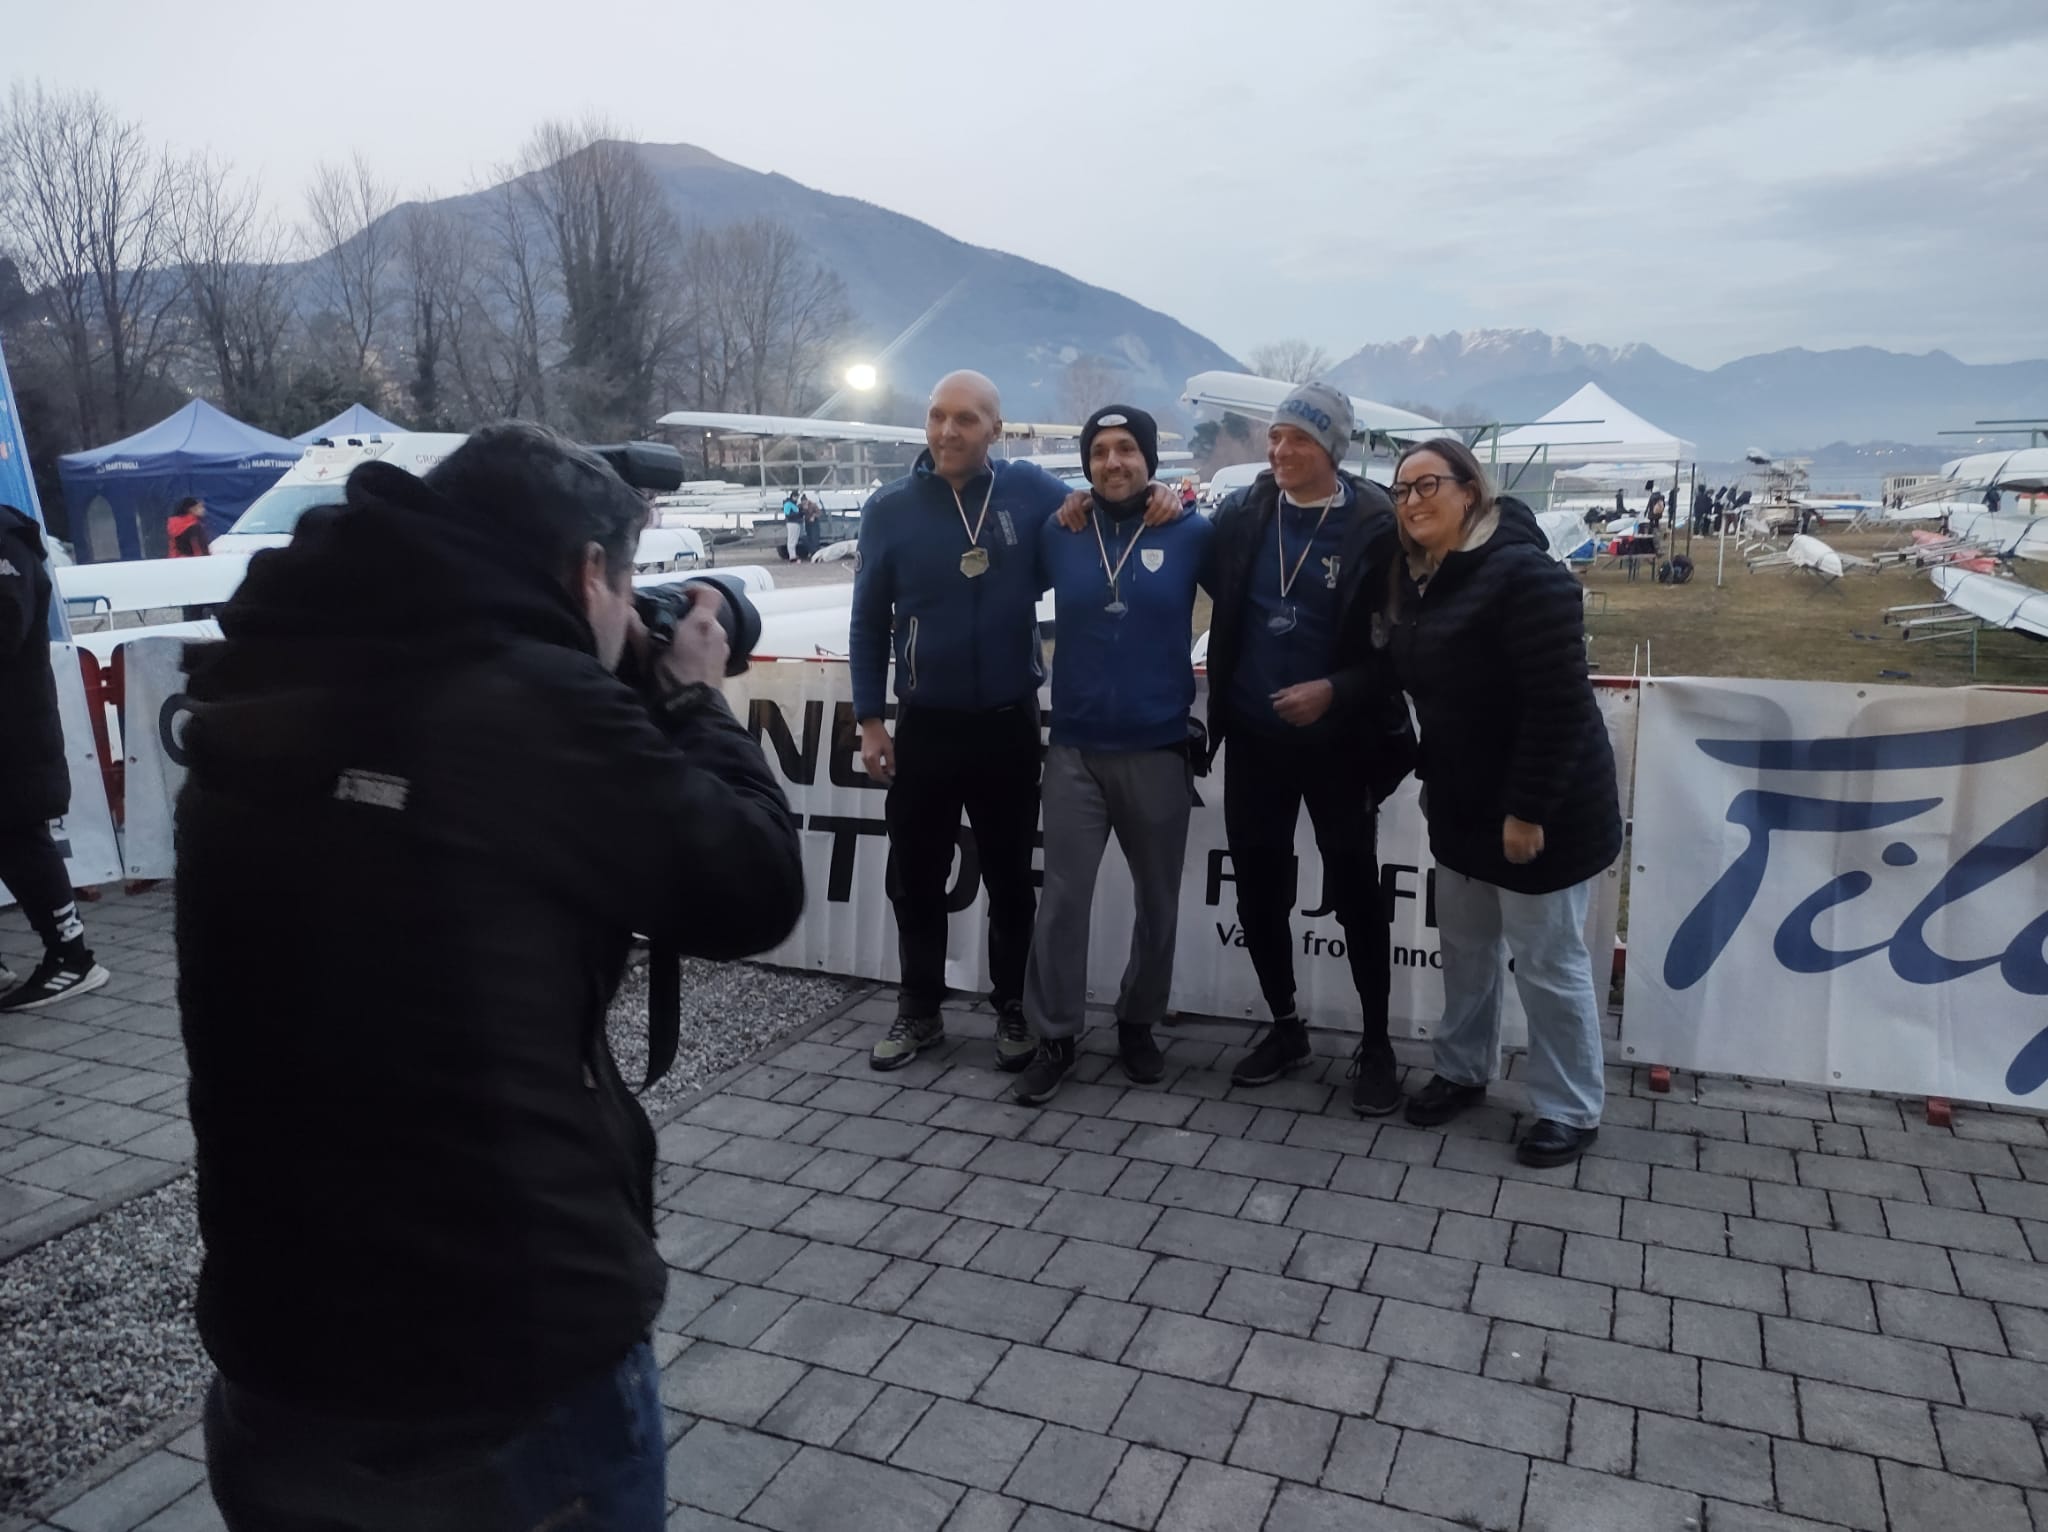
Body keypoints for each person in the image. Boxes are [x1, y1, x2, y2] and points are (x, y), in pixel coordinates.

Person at [178, 423, 806, 1529]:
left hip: (273, 1345)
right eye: (624, 589)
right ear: (585, 574)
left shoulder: (268, 662)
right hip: (498, 1359)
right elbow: (747, 882)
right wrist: (693, 696)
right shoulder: (523, 703)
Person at [851, 372, 1178, 1074]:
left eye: (966, 419)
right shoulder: (889, 509)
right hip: (926, 721)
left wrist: (1163, 495)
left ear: (995, 429)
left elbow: (1108, 503)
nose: (947, 431)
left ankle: (1011, 1009)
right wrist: (870, 718)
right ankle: (919, 1011)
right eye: (937, 416)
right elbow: (866, 619)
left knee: (1008, 877)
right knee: (915, 876)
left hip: (1007, 721)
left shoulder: (1030, 491)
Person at [1378, 437, 1621, 1168]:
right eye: (1401, 491)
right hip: (1457, 803)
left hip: (1539, 811)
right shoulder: (1418, 576)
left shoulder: (1524, 574)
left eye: (1429, 486)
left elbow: (1561, 707)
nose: (1413, 501)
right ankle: (1460, 1070)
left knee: (1547, 963)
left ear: (1470, 492)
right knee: (1467, 952)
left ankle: (1570, 1107)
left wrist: (1527, 812)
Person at [1200, 382, 1416, 1114]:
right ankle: (1286, 1027)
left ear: (1333, 447)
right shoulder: (1245, 511)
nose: (1281, 451)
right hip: (1256, 739)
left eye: (1300, 439)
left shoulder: (1376, 522)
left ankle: (1377, 1044)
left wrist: (1338, 688)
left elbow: (1404, 649)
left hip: (1340, 743)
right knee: (1260, 889)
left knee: (1357, 893)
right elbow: (1186, 560)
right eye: (1276, 437)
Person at [1012, 406, 1212, 1105]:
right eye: (1100, 451)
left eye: (1128, 450)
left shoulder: (1190, 531)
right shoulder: (1061, 529)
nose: (1114, 462)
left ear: (1150, 460)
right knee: (1064, 900)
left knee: (1157, 902)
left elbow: (1249, 607)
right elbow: (1002, 594)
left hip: (1157, 746)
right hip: (1074, 747)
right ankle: (1057, 1033)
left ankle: (1137, 1022)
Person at [0, 504, 108, 1012]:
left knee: (20, 833)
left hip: (13, 729)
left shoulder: (5, 543)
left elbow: (7, 626)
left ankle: (72, 956)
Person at [782, 489, 802, 561]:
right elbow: (787, 514)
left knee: (795, 539)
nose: (796, 498)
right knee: (791, 539)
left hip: (796, 522)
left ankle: (793, 555)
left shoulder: (794, 504)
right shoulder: (788, 504)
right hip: (791, 522)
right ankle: (792, 556)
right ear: (792, 496)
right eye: (795, 496)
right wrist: (797, 514)